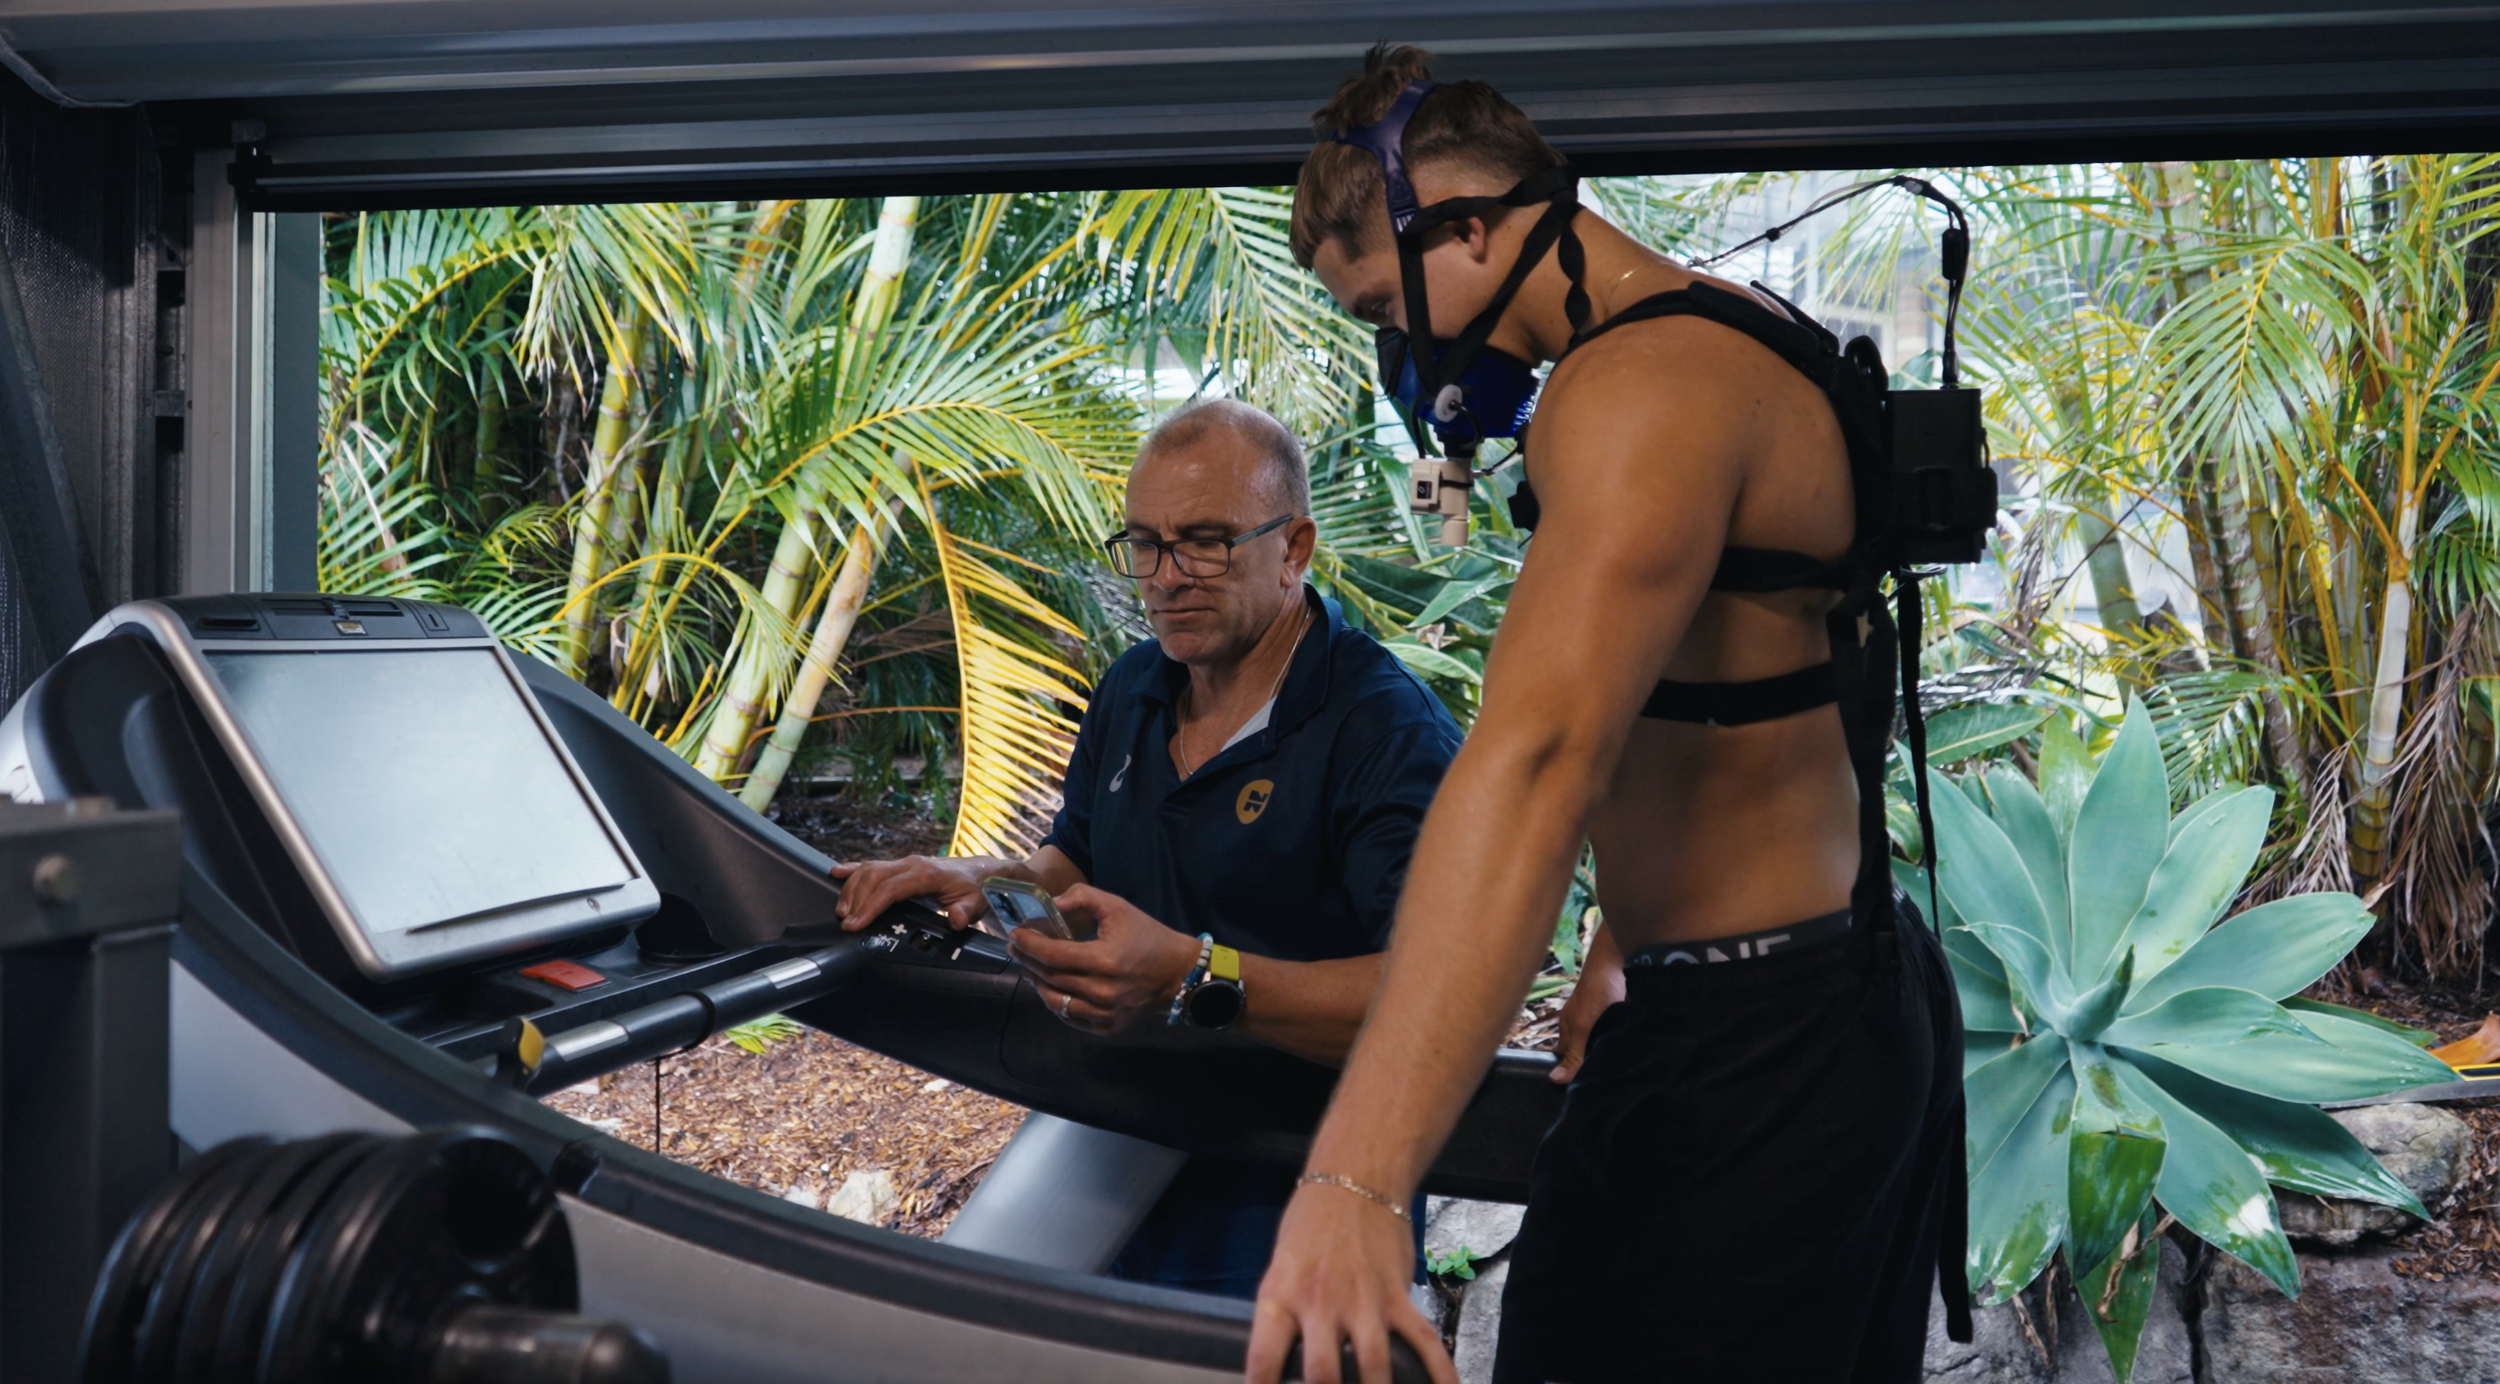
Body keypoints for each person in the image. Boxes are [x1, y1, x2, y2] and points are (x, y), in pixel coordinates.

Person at [1244, 46, 1969, 1384]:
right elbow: (1718, 697)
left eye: (1379, 314)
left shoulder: (1639, 387)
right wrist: (1622, 942)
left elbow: (1535, 762)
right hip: (1807, 1003)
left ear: (1463, 228)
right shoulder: (1721, 334)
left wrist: (1353, 1184)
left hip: (1764, 1053)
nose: (1400, 355)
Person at [831, 397, 1464, 1299]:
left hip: (1295, 1191)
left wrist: (1196, 978)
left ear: (1294, 549)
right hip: (1111, 1146)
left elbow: (1436, 1005)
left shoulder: (1384, 733)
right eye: (1144, 543)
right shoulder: (1134, 683)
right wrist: (971, 873)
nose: (1165, 577)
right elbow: (1074, 860)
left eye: (1206, 541)